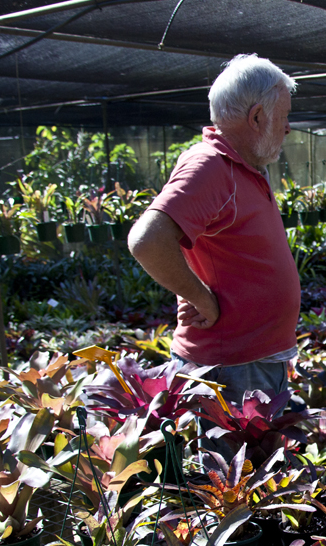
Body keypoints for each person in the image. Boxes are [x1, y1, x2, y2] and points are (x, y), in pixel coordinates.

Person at [128, 54, 300, 402]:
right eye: (283, 117)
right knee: (230, 458)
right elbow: (147, 241)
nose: (287, 128)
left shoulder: (244, 167)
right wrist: (201, 297)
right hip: (232, 368)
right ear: (256, 117)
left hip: (251, 362)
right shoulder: (210, 166)